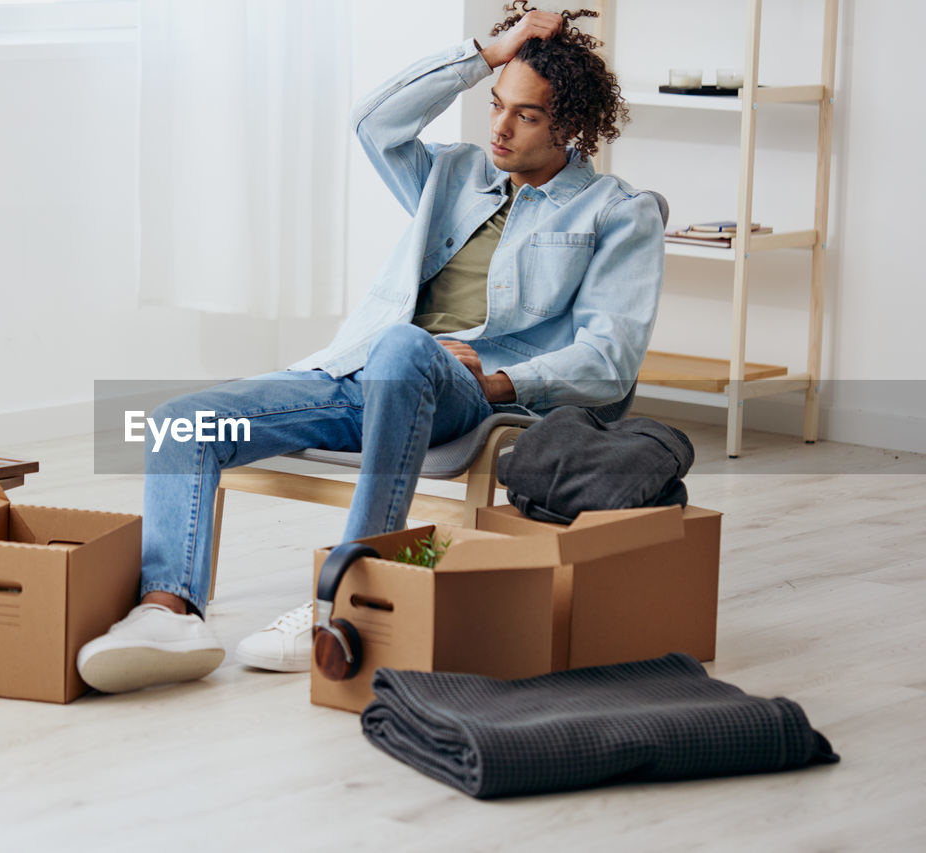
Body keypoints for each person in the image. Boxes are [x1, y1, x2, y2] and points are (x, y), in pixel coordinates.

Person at [76, 5, 666, 693]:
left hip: (465, 397)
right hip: (355, 377)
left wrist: (503, 380)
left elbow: (611, 357)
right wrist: (488, 51)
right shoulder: (454, 177)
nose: (499, 127)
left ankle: (348, 595)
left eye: (525, 116)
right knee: (184, 420)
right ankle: (167, 612)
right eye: (496, 105)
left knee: (403, 347)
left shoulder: (617, 212)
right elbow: (372, 121)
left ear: (567, 124)